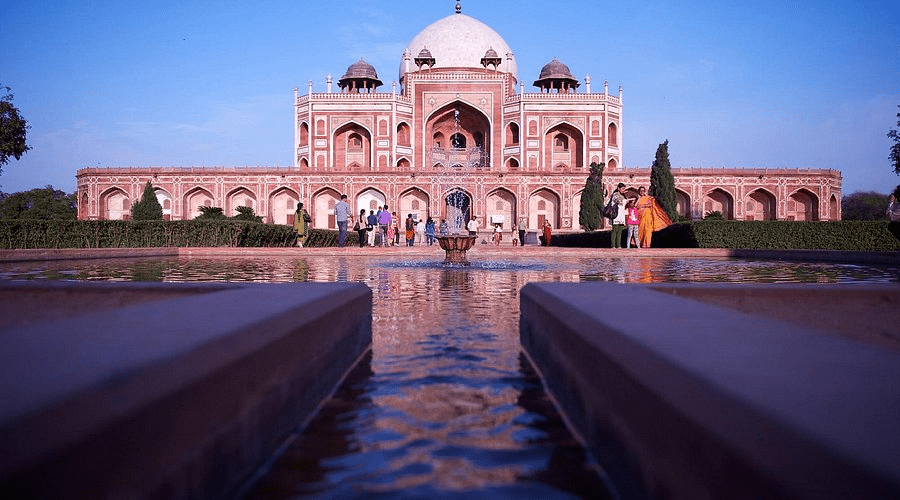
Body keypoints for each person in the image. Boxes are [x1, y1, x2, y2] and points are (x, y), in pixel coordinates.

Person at [610, 183, 627, 248]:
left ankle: (618, 245)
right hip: (616, 214)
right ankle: (613, 245)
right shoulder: (615, 195)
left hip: (621, 214)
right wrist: (627, 200)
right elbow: (618, 201)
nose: (623, 190)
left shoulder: (623, 196)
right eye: (622, 188)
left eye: (624, 189)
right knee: (615, 230)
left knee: (620, 231)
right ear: (618, 188)